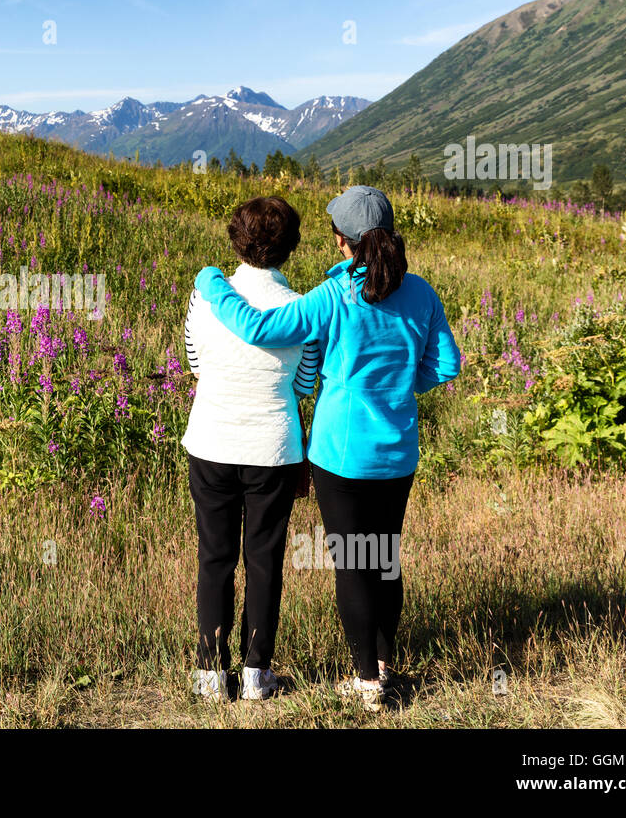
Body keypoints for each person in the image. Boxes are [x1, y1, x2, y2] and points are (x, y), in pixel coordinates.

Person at [193, 185, 461, 711]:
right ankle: (383, 666)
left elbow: (259, 327)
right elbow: (446, 365)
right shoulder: (422, 293)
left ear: (342, 240)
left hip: (340, 454)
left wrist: (211, 282)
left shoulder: (334, 295)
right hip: (399, 449)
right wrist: (401, 388)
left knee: (354, 562)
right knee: (385, 557)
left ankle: (366, 683)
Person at [183, 195, 318, 702]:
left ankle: (210, 674)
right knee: (265, 559)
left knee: (214, 557)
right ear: (292, 247)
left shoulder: (207, 297)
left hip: (211, 439)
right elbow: (305, 382)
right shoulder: (302, 308)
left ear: (235, 240)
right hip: (274, 446)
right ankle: (258, 673)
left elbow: (194, 359)